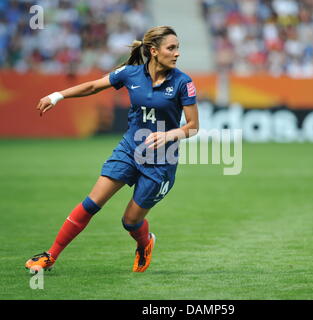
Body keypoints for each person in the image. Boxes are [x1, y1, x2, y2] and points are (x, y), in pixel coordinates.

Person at [25, 26, 199, 273]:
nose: (177, 53)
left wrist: (170, 134)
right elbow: (94, 86)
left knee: (130, 221)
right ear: (153, 51)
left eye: (177, 48)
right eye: (171, 48)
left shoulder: (183, 82)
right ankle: (50, 256)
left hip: (161, 162)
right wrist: (57, 95)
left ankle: (145, 242)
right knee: (91, 203)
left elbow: (193, 126)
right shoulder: (129, 73)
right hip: (129, 150)